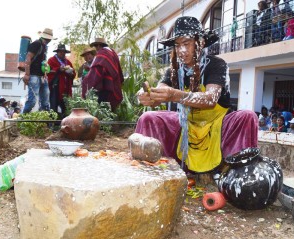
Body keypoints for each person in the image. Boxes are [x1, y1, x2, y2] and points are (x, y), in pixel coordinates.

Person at [135, 16, 258, 174]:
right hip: (188, 123)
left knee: (247, 117)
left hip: (216, 124)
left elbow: (210, 99)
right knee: (149, 118)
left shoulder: (217, 64)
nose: (181, 50)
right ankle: (154, 170)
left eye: (186, 44)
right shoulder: (173, 71)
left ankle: (238, 175)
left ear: (199, 43)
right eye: (178, 45)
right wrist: (147, 96)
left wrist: (174, 95)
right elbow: (159, 93)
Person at [82, 37, 124, 111]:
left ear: (98, 45)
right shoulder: (112, 52)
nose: (96, 49)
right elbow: (106, 68)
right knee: (109, 110)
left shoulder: (102, 53)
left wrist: (86, 81)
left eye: (96, 46)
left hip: (105, 87)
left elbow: (97, 71)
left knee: (103, 110)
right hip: (111, 84)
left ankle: (104, 122)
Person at [22, 28, 57, 113]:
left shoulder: (44, 46)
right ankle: (22, 118)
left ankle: (45, 123)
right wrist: (27, 74)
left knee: (45, 102)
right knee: (32, 101)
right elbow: (28, 57)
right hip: (33, 75)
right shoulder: (36, 44)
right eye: (47, 38)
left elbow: (42, 62)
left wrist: (45, 73)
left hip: (42, 76)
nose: (48, 40)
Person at [47, 44, 76, 118]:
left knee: (66, 107)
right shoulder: (51, 60)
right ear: (57, 52)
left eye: (64, 52)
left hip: (66, 89)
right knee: (54, 106)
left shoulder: (68, 62)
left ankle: (65, 123)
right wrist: (58, 69)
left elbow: (73, 74)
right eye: (60, 52)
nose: (62, 54)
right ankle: (53, 124)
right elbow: (48, 71)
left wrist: (71, 72)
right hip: (56, 87)